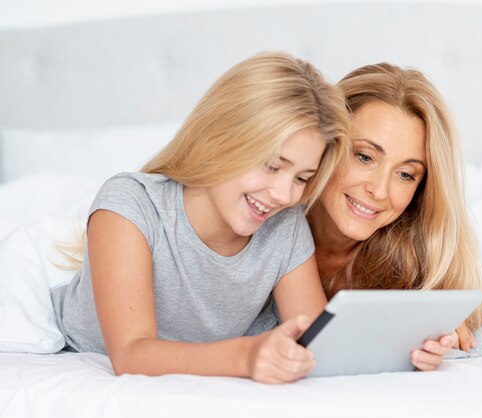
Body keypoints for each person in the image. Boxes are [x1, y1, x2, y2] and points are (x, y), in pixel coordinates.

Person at [50, 51, 351, 384]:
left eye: (302, 178)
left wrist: (412, 356)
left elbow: (320, 347)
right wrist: (247, 355)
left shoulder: (285, 225)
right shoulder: (131, 206)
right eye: (272, 165)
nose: (285, 195)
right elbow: (131, 355)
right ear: (219, 140)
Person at [248, 62, 482, 371]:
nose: (379, 191)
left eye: (405, 174)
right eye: (364, 157)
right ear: (326, 143)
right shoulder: (266, 216)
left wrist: (440, 344)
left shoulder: (422, 239)